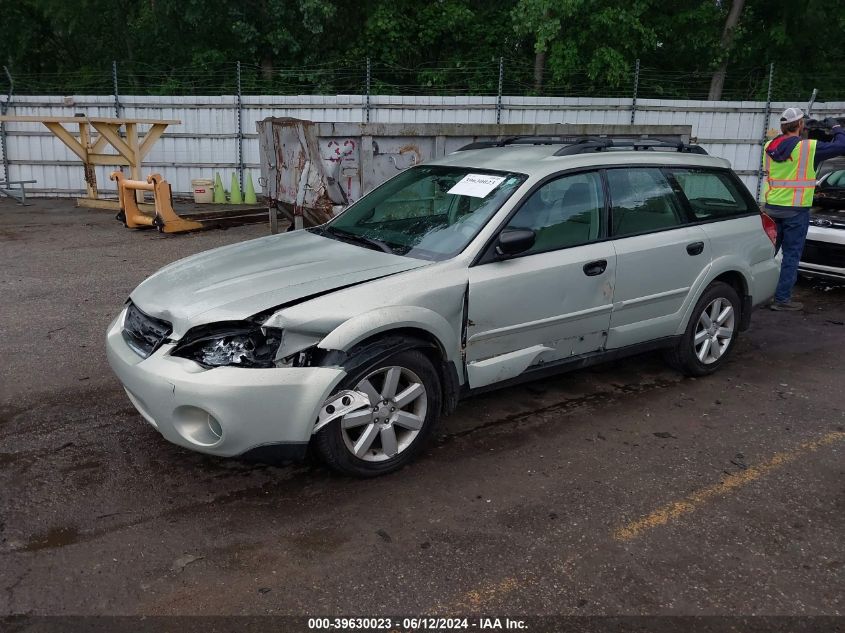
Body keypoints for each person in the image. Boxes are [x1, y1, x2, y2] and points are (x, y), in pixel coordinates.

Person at [763, 108, 845, 311]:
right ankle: (782, 300)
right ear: (800, 125)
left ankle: (758, 295)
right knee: (791, 256)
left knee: (765, 255)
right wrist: (835, 126)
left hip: (771, 209)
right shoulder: (808, 147)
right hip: (795, 211)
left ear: (783, 126)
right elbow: (841, 145)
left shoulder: (769, 145)